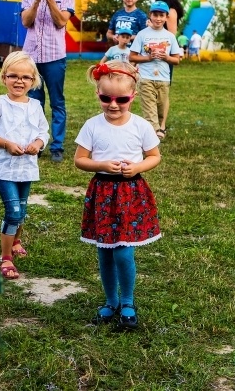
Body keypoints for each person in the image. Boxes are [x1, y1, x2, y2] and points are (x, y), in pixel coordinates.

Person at [74, 61, 162, 330]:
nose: (113, 105)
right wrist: (101, 165)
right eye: (106, 98)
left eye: (121, 99)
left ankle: (127, 301)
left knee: (123, 252)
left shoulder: (141, 126)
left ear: (132, 97)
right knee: (105, 252)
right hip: (102, 193)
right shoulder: (92, 125)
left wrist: (137, 167)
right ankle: (110, 300)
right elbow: (80, 160)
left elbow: (154, 156)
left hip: (129, 193)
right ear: (98, 94)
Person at [0, 51, 49, 280]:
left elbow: (42, 132)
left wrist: (38, 144)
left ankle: (16, 240)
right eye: (13, 76)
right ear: (4, 77)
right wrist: (6, 143)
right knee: (14, 211)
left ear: (33, 81)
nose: (19, 81)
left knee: (23, 208)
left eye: (25, 77)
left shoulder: (35, 106)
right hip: (3, 166)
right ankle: (5, 257)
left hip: (25, 166)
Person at [21, 0, 75, 163]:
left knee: (57, 102)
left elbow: (61, 21)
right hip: (31, 57)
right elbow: (26, 22)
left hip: (54, 56)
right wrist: (36, 0)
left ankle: (57, 146)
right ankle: (38, 143)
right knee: (34, 102)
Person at [129, 1, 182, 140]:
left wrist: (166, 57)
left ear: (166, 17)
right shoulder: (142, 34)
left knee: (160, 107)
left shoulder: (170, 37)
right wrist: (148, 58)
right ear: (150, 15)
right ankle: (154, 135)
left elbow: (176, 60)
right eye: (155, 15)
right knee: (149, 107)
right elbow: (132, 57)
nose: (158, 18)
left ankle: (157, 128)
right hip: (145, 78)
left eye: (161, 15)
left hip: (164, 79)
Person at [153, 0, 185, 132]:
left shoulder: (171, 12)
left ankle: (162, 124)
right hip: (154, 55)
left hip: (164, 56)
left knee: (163, 91)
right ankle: (154, 123)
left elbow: (171, 35)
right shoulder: (162, 12)